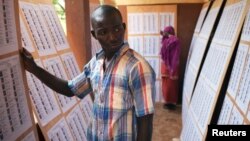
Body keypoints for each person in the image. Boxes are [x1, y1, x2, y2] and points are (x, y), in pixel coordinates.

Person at [21, 5, 156, 141]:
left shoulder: (137, 67)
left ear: (124, 27)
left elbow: (145, 121)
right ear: (94, 35)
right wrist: (34, 68)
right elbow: (69, 89)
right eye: (103, 32)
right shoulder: (95, 64)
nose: (112, 37)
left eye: (116, 29)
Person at [160, 26, 180, 110]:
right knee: (166, 85)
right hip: (166, 67)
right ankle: (167, 102)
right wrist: (165, 35)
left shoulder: (175, 40)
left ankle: (172, 103)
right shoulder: (165, 41)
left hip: (173, 66)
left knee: (172, 85)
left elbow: (174, 40)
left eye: (167, 32)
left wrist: (167, 35)